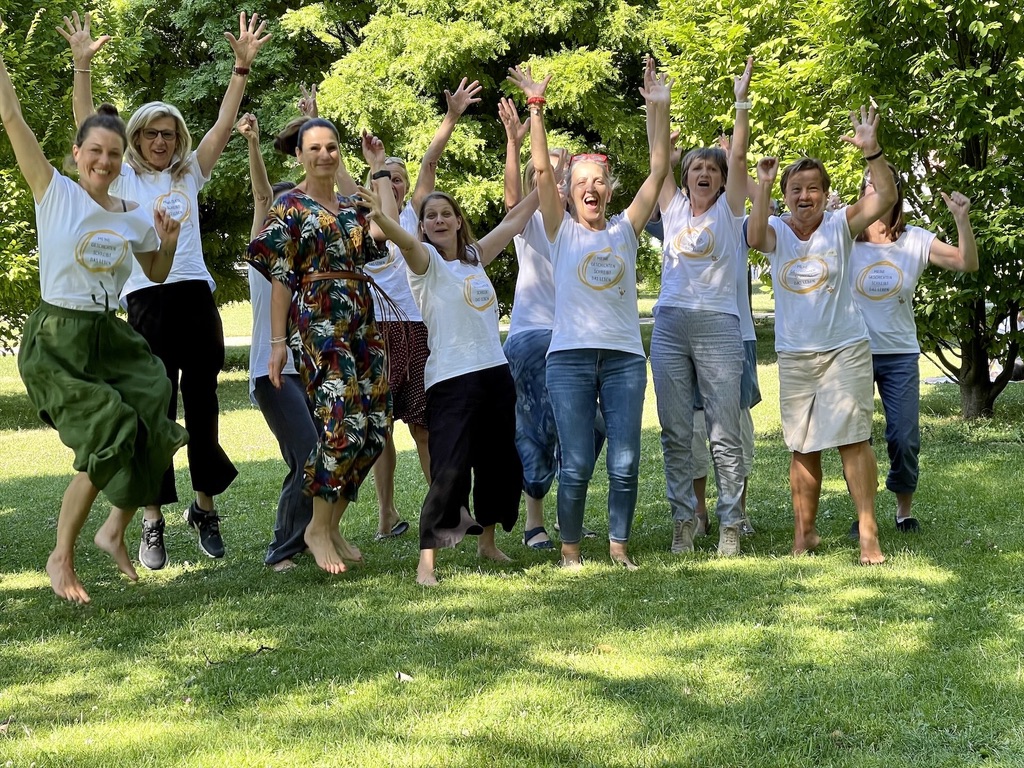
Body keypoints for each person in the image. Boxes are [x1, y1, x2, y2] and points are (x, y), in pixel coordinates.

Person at [62, 10, 270, 569]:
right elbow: (87, 124)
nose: (160, 140)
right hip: (147, 298)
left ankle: (204, 509)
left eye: (169, 133)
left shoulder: (189, 173)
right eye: (151, 133)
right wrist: (83, 68)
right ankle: (152, 520)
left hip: (195, 296)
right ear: (136, 137)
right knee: (157, 408)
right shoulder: (121, 175)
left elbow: (225, 125)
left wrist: (240, 69)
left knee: (204, 406)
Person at [1, 45, 187, 603]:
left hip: (110, 333)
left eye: (112, 154)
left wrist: (170, 241)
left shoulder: (131, 214)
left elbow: (154, 273)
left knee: (155, 401)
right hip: (58, 337)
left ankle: (114, 530)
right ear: (77, 152)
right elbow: (11, 115)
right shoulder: (52, 193)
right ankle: (62, 556)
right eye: (95, 151)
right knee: (110, 427)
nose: (104, 162)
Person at [510, 58, 672, 570]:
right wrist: (536, 107)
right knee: (576, 462)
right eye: (582, 181)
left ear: (608, 189)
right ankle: (571, 550)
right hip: (570, 359)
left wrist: (659, 109)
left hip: (624, 358)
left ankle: (619, 547)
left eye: (598, 180)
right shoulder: (561, 230)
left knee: (625, 462)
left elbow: (660, 168)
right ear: (569, 191)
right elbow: (539, 172)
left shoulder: (625, 229)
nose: (591, 188)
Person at [361, 179, 537, 584]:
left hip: (495, 372)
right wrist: (383, 218)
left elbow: (512, 222)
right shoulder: (425, 264)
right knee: (450, 470)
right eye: (430, 216)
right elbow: (404, 243)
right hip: (451, 379)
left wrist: (552, 187)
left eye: (445, 214)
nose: (438, 220)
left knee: (498, 465)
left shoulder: (474, 258)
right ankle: (427, 564)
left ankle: (487, 544)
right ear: (423, 227)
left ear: (459, 221)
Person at [746, 105, 897, 565]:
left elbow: (885, 196)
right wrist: (765, 187)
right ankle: (804, 534)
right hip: (795, 355)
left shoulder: (840, 224)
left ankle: (869, 535)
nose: (805, 196)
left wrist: (871, 151)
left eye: (813, 188)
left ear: (826, 194)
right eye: (797, 189)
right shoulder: (774, 228)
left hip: (845, 349)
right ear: (787, 196)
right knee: (802, 445)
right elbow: (753, 236)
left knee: (853, 439)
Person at [247, 118, 396, 575]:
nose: (325, 155)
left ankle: (332, 525)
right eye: (315, 148)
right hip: (318, 322)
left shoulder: (353, 205)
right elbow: (279, 281)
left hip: (361, 321)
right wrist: (276, 345)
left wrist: (379, 169)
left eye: (332, 147)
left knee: (375, 427)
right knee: (341, 424)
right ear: (299, 154)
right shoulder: (288, 207)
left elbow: (384, 234)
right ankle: (314, 528)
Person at [366, 77, 483, 540]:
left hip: (421, 330)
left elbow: (430, 161)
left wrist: (451, 117)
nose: (394, 182)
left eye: (400, 177)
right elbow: (335, 175)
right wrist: (373, 166)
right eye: (386, 177)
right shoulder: (368, 215)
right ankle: (386, 514)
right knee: (380, 431)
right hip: (378, 331)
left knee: (426, 430)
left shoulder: (419, 217)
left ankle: (450, 510)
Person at [650, 57, 753, 557]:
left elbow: (738, 154)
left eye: (712, 168)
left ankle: (731, 524)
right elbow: (656, 158)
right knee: (674, 430)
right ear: (686, 176)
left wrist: (740, 102)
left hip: (718, 326)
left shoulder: (731, 212)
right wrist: (659, 104)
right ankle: (683, 522)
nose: (705, 173)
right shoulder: (670, 209)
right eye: (696, 167)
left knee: (723, 430)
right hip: (670, 324)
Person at [849, 164, 978, 531]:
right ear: (863, 193)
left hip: (900, 353)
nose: (875, 191)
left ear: (894, 192)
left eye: (882, 184)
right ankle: (865, 515)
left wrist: (962, 220)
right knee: (858, 440)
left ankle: (903, 511)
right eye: (869, 185)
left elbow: (967, 263)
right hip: (855, 352)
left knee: (904, 438)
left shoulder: (915, 239)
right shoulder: (846, 236)